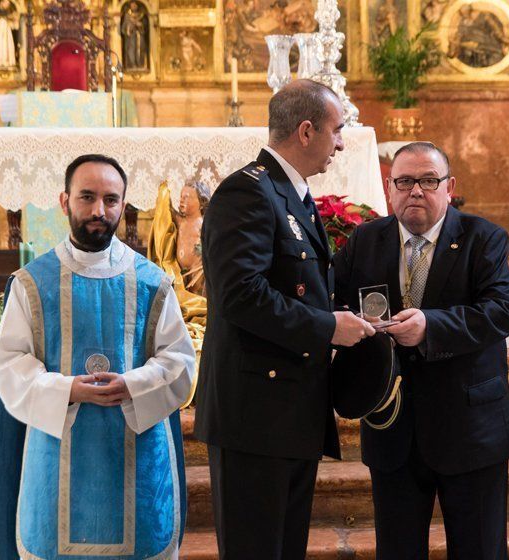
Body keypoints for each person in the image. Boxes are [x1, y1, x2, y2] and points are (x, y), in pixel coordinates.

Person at [0, 154, 196, 559]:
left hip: (135, 455)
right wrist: (67, 389)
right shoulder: (31, 282)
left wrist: (131, 384)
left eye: (111, 199)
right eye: (87, 197)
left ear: (124, 204)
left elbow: (180, 362)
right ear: (65, 202)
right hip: (55, 457)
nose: (99, 210)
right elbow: (8, 363)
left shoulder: (153, 281)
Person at [194, 79, 375, 559]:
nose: (341, 142)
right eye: (337, 131)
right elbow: (240, 295)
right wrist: (328, 327)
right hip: (254, 411)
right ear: (306, 130)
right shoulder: (248, 192)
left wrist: (333, 317)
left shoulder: (289, 193)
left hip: (289, 407)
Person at [334, 142, 509, 559]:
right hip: (393, 429)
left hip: (470, 428)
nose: (415, 190)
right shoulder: (364, 240)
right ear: (389, 187)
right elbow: (335, 308)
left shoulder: (483, 238)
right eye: (404, 181)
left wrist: (431, 326)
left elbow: (500, 312)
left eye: (428, 180)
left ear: (448, 186)